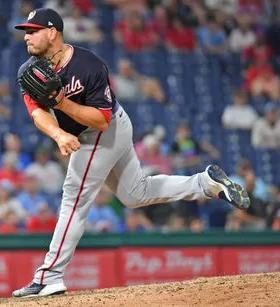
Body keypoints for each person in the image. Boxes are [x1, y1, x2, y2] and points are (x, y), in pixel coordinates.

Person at [12, 8, 250, 298]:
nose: (27, 36)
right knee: (134, 194)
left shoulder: (89, 65)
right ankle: (205, 183)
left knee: (73, 199)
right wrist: (59, 133)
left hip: (104, 129)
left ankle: (49, 276)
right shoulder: (29, 71)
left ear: (52, 33)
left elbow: (101, 120)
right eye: (26, 31)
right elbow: (37, 112)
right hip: (91, 131)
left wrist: (63, 105)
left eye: (33, 30)